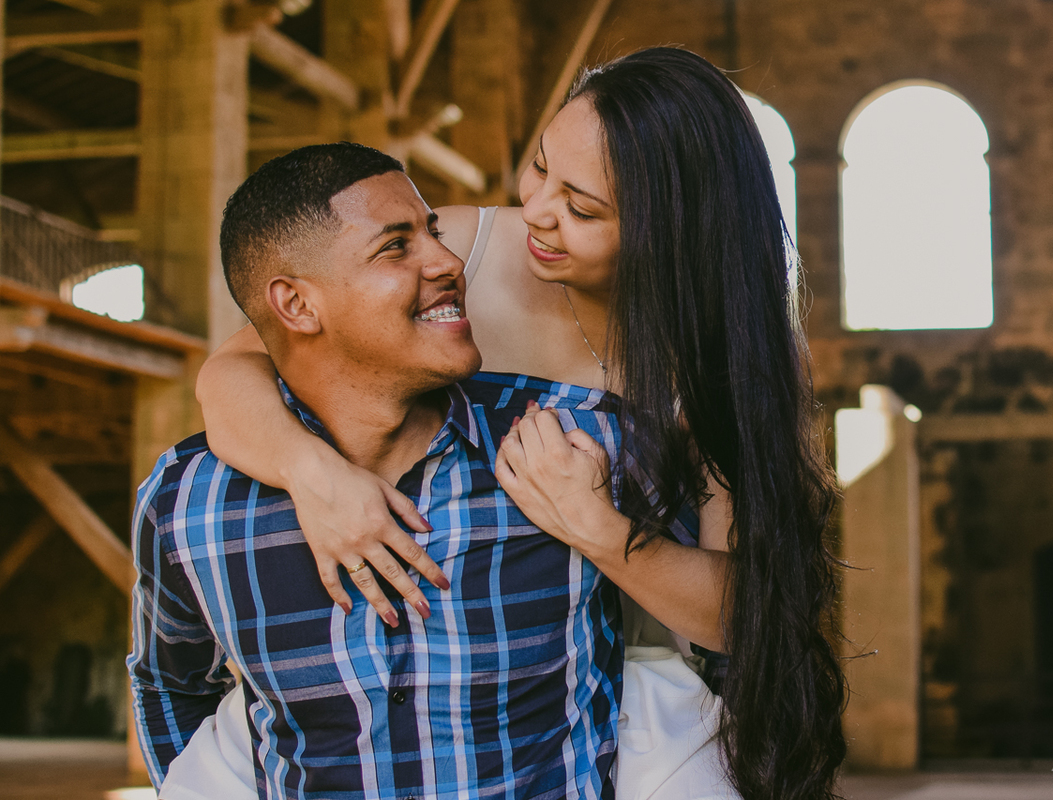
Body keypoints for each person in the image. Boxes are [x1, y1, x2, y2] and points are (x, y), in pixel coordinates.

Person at [197, 48, 846, 800]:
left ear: (674, 228)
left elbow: (747, 612)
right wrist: (315, 476)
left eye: (583, 209)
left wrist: (596, 527)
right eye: (542, 169)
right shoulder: (463, 251)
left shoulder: (732, 353)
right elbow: (230, 373)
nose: (538, 211)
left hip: (624, 708)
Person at [129, 142, 643, 799]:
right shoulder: (187, 505)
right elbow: (169, 683)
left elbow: (739, 630)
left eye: (433, 231)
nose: (451, 262)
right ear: (297, 306)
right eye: (395, 246)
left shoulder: (580, 447)